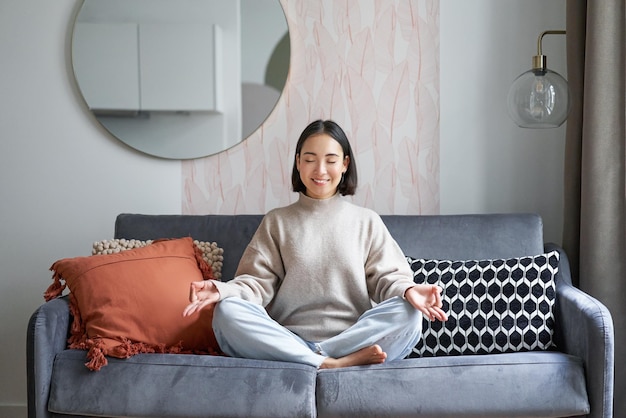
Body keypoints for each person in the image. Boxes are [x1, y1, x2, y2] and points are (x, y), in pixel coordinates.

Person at [183, 119, 447, 369]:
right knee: (227, 312)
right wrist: (221, 291)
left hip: (351, 338)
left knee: (409, 313)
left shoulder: (366, 221)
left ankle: (317, 357)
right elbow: (256, 284)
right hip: (287, 337)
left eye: (330, 160)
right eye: (310, 159)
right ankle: (329, 362)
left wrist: (408, 290)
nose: (320, 170)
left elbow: (387, 279)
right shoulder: (277, 221)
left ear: (345, 164)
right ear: (298, 163)